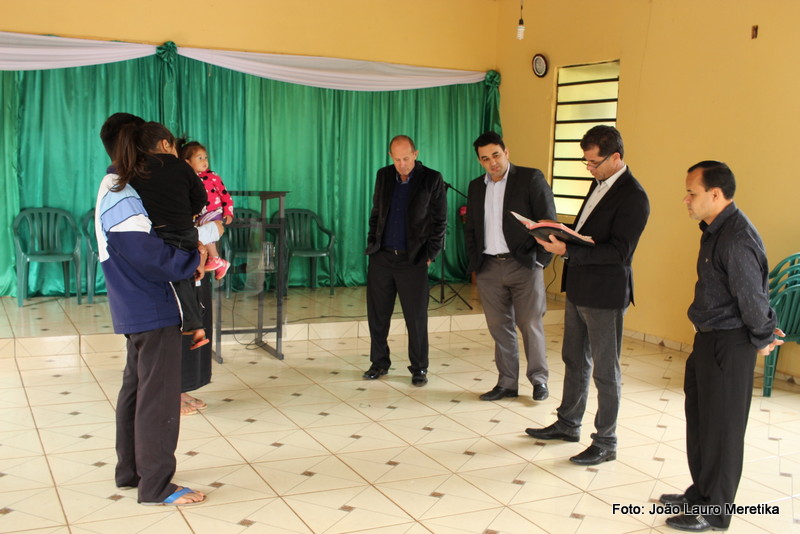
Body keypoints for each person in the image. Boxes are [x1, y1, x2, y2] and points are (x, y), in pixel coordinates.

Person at [659, 161, 783, 532]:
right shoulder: (715, 230)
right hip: (708, 338)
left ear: (715, 194)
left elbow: (752, 297)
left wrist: (763, 336)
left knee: (723, 431)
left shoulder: (736, 238)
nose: (686, 199)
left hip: (730, 343)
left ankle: (715, 511)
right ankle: (700, 493)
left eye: (691, 193)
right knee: (702, 422)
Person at [97, 112, 206, 505]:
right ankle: (157, 486)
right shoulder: (120, 188)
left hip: (137, 302)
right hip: (152, 302)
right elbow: (145, 253)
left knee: (137, 388)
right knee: (158, 396)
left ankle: (132, 472)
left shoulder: (121, 185)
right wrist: (192, 260)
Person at [526, 125, 649, 466]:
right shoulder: (599, 184)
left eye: (594, 162)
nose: (590, 168)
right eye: (587, 162)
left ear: (616, 157)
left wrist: (568, 250)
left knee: (605, 371)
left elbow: (620, 252)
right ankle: (568, 423)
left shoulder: (634, 196)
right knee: (574, 358)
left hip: (605, 294)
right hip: (580, 286)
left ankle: (606, 441)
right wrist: (560, 237)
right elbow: (590, 235)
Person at [464, 131, 556, 402]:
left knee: (530, 324)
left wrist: (540, 260)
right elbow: (471, 228)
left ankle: (539, 380)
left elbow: (548, 222)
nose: (492, 162)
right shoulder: (476, 187)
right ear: (479, 161)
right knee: (499, 327)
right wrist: (475, 263)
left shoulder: (530, 178)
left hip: (524, 265)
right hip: (489, 267)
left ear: (506, 152)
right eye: (485, 158)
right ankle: (507, 383)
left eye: (496, 155)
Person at [114, 121, 210, 350]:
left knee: (177, 276)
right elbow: (201, 198)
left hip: (159, 232)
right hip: (185, 230)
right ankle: (195, 324)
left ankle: (194, 324)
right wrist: (186, 211)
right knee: (185, 276)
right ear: (166, 144)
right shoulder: (181, 167)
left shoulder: (136, 170)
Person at [363, 135, 447, 386]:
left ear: (415, 154)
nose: (402, 164)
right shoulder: (383, 175)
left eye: (406, 159)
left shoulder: (432, 179)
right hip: (382, 257)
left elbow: (440, 222)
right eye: (397, 159)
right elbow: (376, 213)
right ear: (391, 157)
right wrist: (373, 243)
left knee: (416, 318)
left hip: (413, 260)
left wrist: (430, 255)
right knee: (378, 315)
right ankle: (379, 363)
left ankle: (419, 368)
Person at [181, 140, 233, 280]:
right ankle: (218, 263)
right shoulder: (187, 180)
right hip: (199, 216)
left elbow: (225, 195)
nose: (204, 161)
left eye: (205, 157)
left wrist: (228, 212)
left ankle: (215, 258)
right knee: (203, 236)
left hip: (214, 212)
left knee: (207, 227)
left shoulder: (212, 176)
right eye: (200, 158)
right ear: (187, 162)